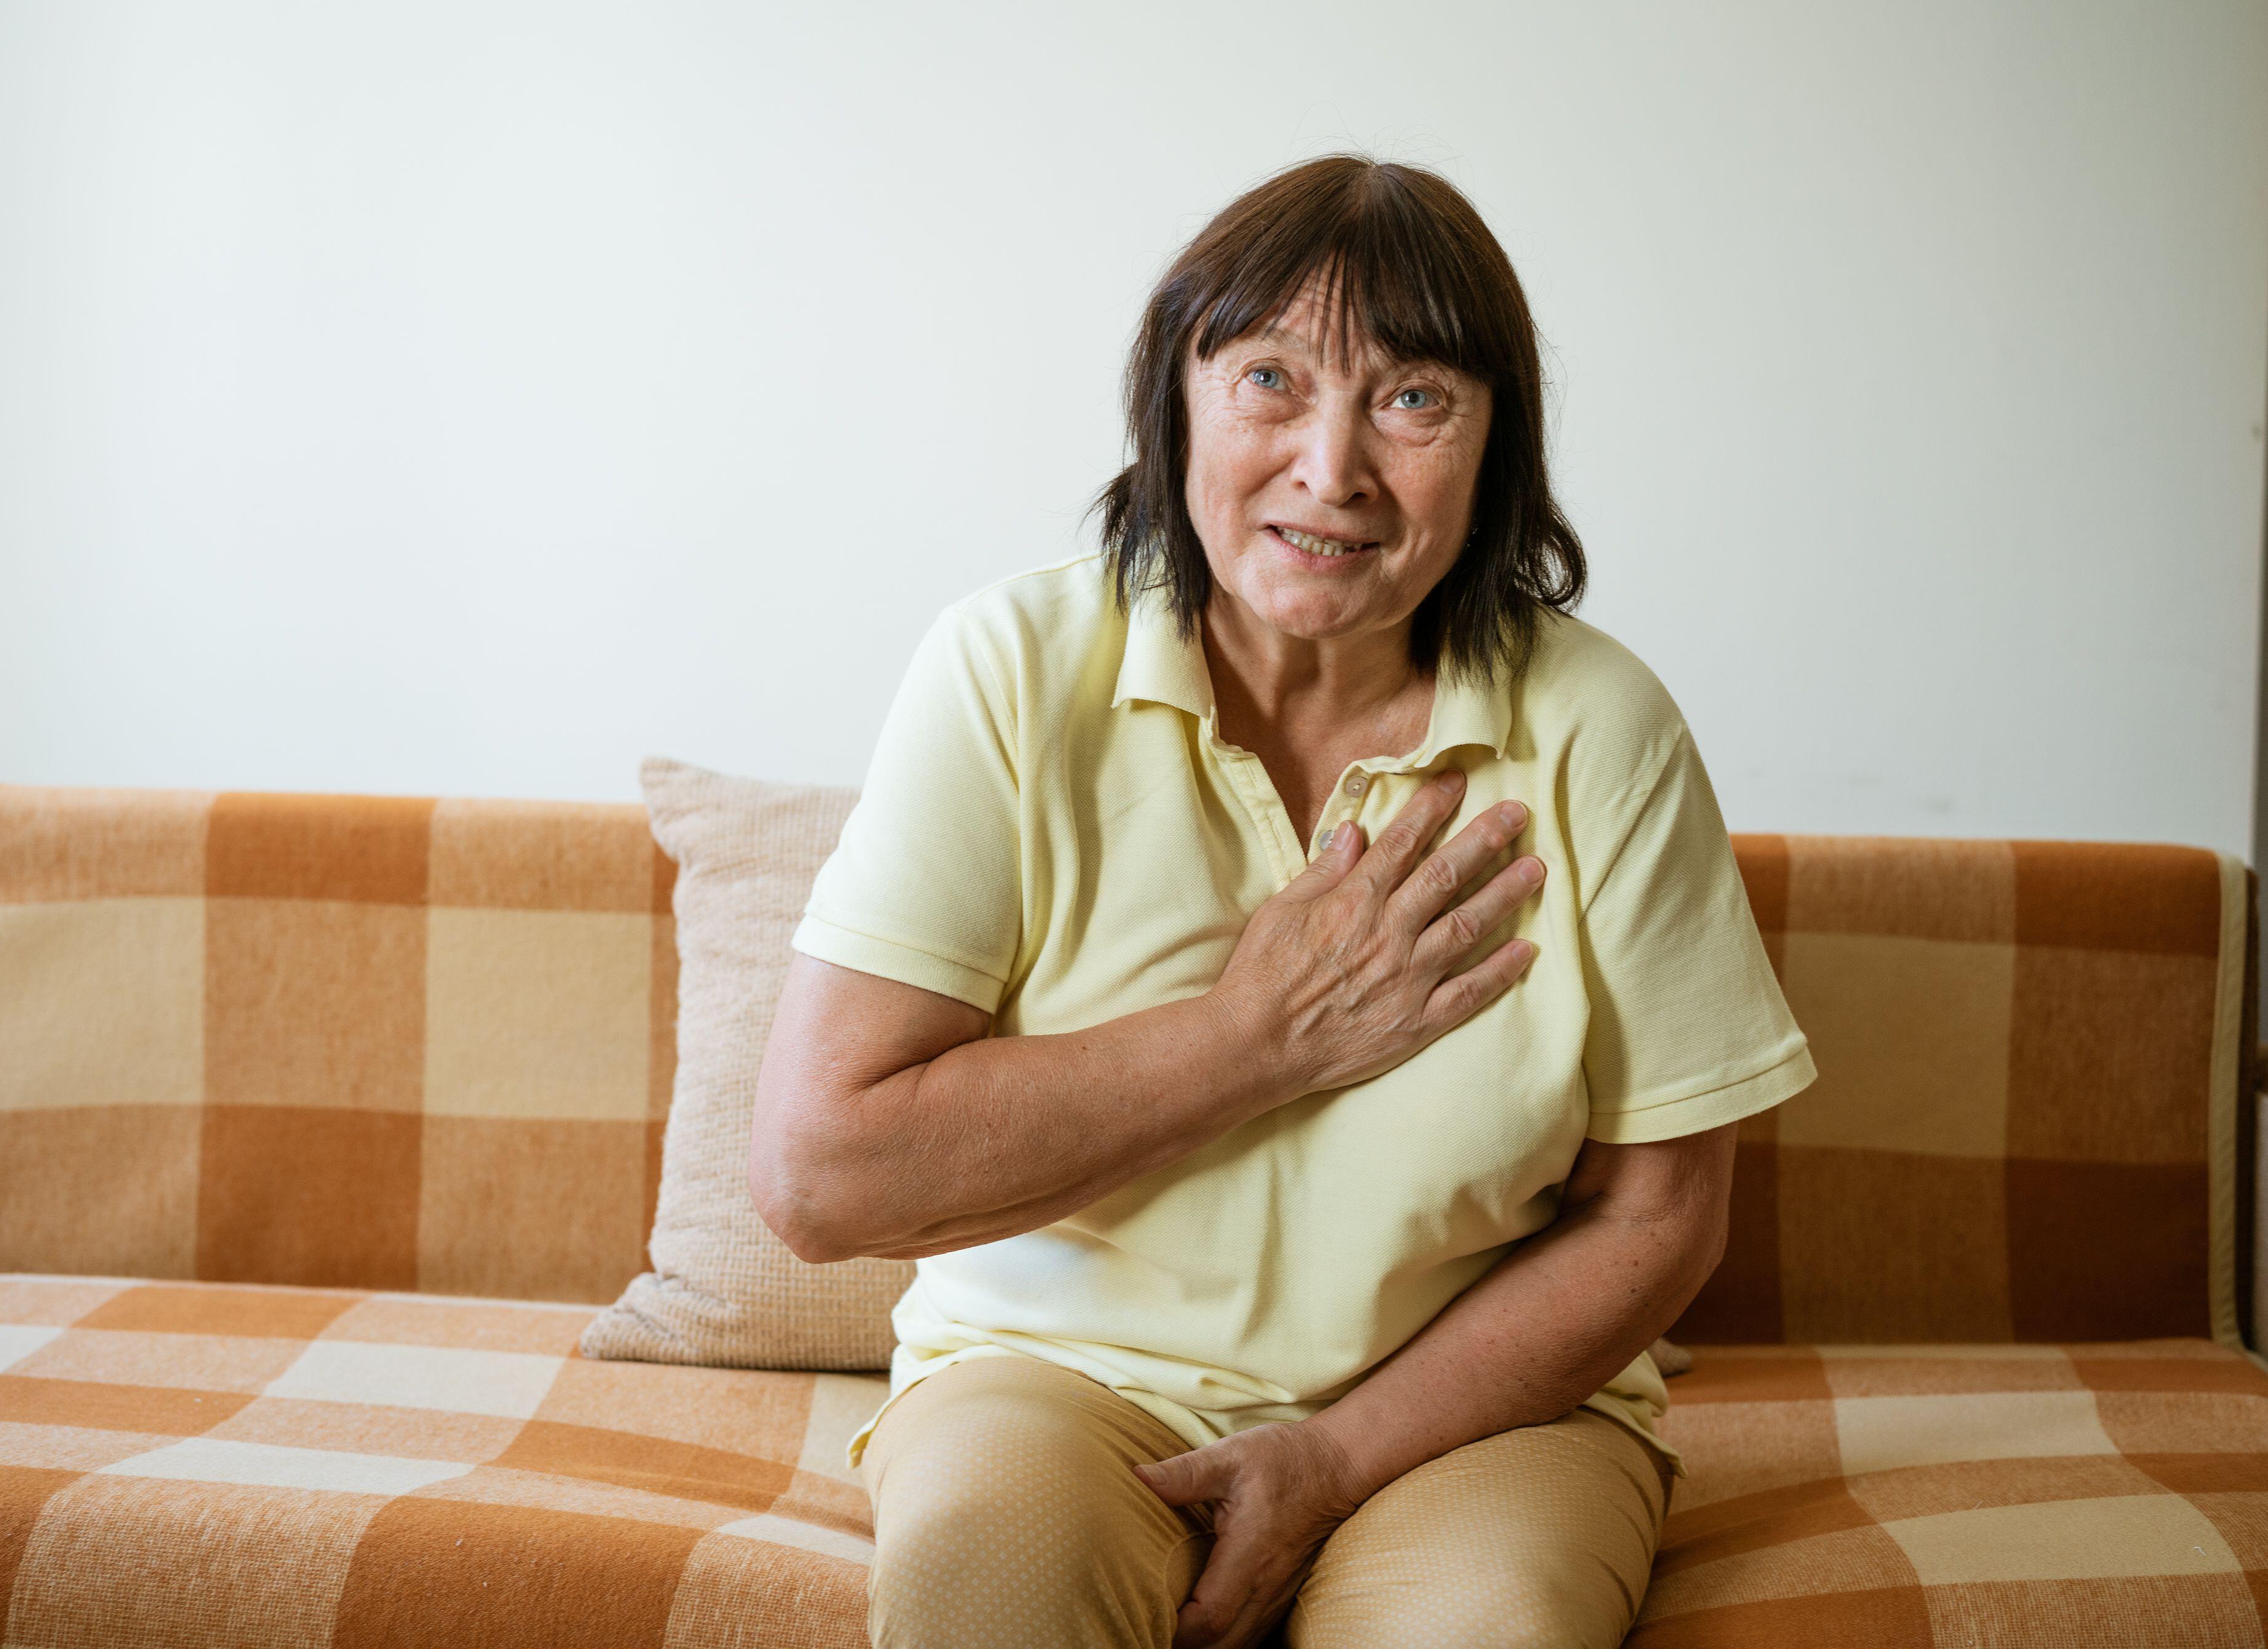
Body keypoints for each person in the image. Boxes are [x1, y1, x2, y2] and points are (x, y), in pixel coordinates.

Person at [748, 153, 1815, 1649]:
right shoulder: (1005, 667)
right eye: (1268, 378)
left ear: (1495, 445)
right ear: (1172, 400)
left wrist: (1329, 1455)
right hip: (1058, 1381)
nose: (1331, 468)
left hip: (1475, 1415)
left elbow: (1658, 1219)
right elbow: (819, 1177)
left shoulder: (1602, 726)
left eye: (1412, 398)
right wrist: (1259, 1034)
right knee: (987, 1586)